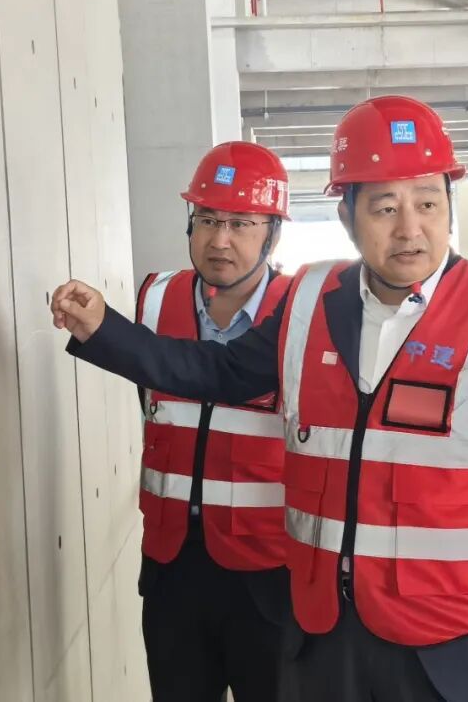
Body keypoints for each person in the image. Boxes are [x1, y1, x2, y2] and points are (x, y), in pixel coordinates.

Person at [50, 95, 468, 702]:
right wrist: (105, 330)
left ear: (450, 207)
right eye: (385, 208)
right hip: (323, 630)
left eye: (428, 203)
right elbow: (217, 371)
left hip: (449, 639)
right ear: (347, 215)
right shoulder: (311, 300)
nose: (410, 229)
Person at [133, 141, 292, 702]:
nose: (219, 240)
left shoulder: (301, 314)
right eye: (207, 219)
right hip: (172, 567)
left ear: (273, 232)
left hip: (270, 577)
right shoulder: (154, 300)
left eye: (241, 223)